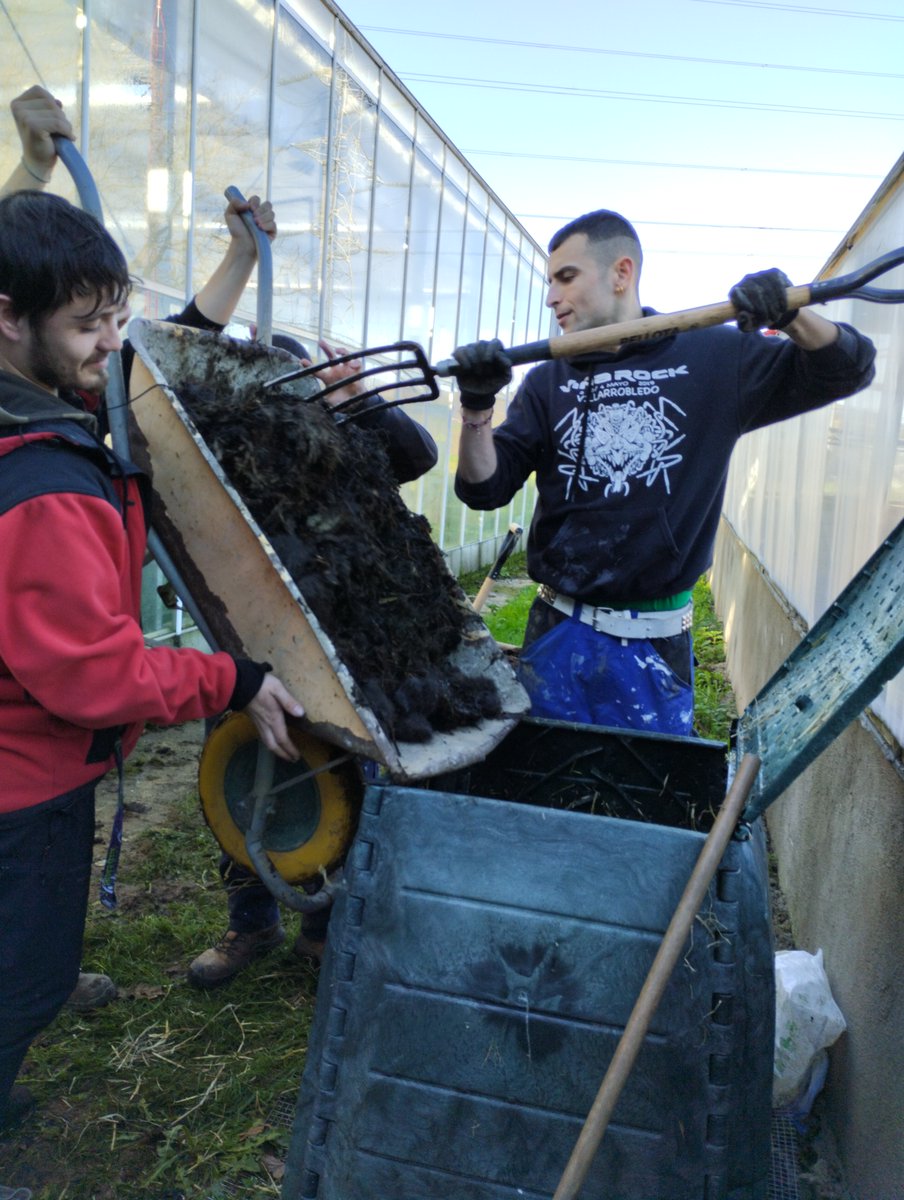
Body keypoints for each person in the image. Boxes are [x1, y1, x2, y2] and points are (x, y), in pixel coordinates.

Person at [0, 190, 314, 1137]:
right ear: (8, 319)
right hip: (21, 783)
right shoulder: (44, 487)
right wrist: (235, 679)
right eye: (89, 325)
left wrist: (240, 259)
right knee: (28, 977)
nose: (111, 343)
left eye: (117, 317)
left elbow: (162, 352)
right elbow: (95, 676)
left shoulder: (42, 400)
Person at [452, 209, 876, 736]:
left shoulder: (714, 358)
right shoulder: (547, 382)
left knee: (643, 793)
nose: (551, 298)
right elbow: (484, 488)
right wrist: (475, 407)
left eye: (566, 278)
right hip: (557, 630)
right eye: (549, 282)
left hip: (655, 642)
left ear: (621, 273)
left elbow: (849, 367)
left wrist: (791, 312)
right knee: (543, 789)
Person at [186, 333, 439, 989]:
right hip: (249, 642)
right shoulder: (231, 447)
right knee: (240, 773)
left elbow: (419, 454)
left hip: (339, 643)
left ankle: (324, 931)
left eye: (297, 376)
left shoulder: (340, 442)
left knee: (341, 776)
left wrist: (361, 397)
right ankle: (252, 922)